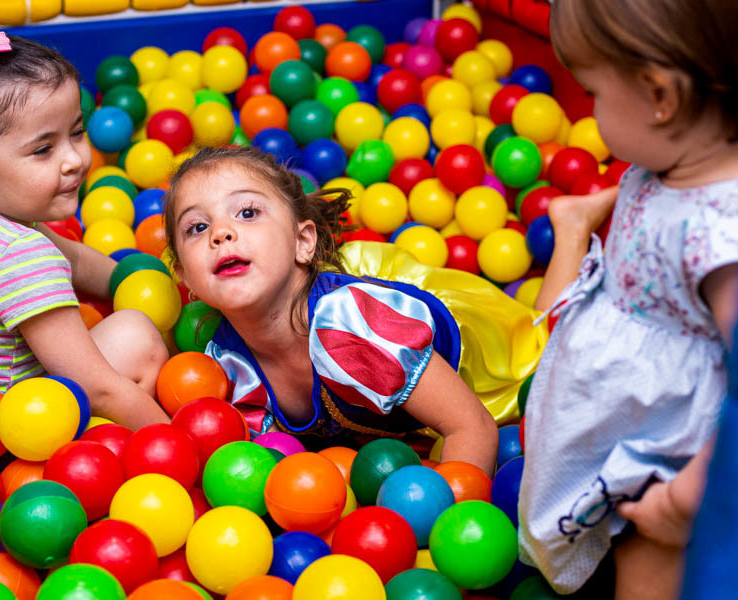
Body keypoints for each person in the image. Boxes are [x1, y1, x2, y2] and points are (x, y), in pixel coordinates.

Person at [517, 0, 738, 597]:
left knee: (645, 569)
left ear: (660, 96)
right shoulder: (676, 160)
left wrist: (684, 499)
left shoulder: (726, 236)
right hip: (622, 413)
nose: (589, 109)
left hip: (660, 459)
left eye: (592, 93)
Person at [163, 145, 547, 474]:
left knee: (541, 344)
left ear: (303, 242)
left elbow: (472, 426)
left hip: (472, 360)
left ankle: (571, 229)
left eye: (247, 212)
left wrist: (443, 540)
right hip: (384, 419)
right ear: (186, 280)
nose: (221, 233)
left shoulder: (353, 327)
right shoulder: (225, 366)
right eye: (196, 227)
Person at [0, 27, 169, 429]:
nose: (74, 159)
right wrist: (173, 443)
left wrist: (132, 282)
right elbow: (97, 388)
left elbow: (72, 257)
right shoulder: (21, 255)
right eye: (43, 150)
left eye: (76, 131)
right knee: (137, 336)